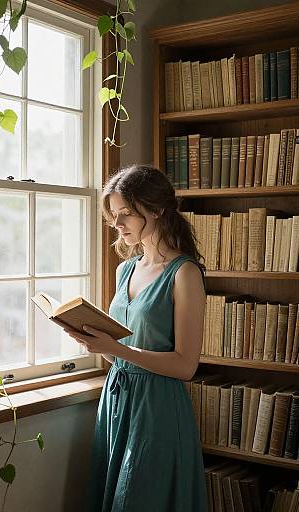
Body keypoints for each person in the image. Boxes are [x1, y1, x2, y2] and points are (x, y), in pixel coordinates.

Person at [64, 164, 207, 511]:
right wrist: (95, 343)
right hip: (116, 400)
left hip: (157, 407)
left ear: (156, 210)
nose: (116, 224)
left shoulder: (184, 273)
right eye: (114, 215)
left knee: (141, 498)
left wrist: (114, 349)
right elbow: (121, 354)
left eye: (125, 214)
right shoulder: (125, 269)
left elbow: (186, 366)